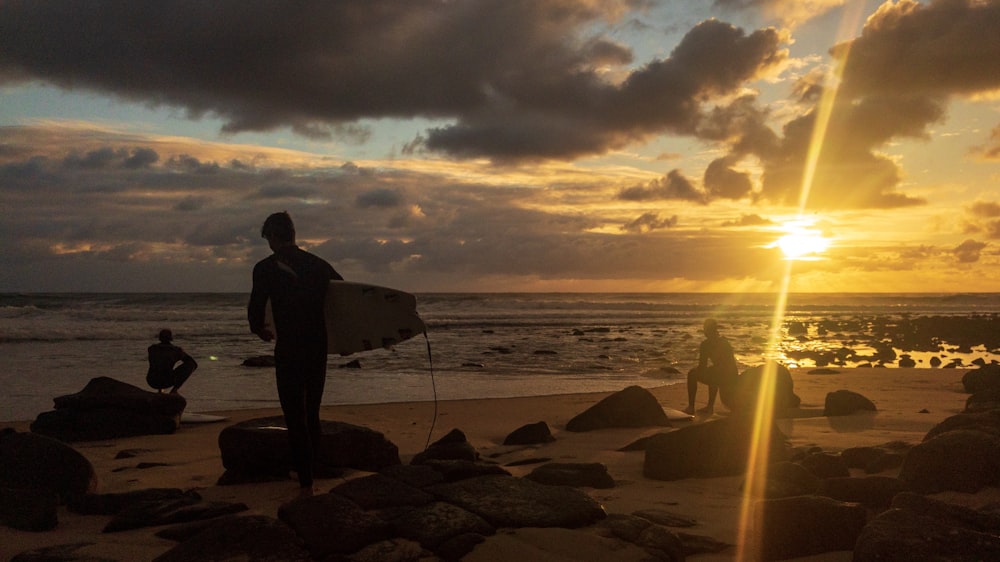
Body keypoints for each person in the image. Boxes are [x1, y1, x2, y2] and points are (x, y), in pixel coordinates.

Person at [247, 211, 342, 496]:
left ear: (273, 236)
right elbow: (344, 296)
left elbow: (256, 307)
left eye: (268, 239)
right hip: (317, 345)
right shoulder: (319, 265)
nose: (269, 245)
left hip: (289, 346)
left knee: (294, 414)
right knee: (311, 412)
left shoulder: (266, 267)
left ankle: (305, 482)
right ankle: (311, 473)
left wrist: (259, 330)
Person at [684, 318, 739, 415]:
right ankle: (709, 407)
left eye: (705, 328)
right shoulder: (724, 342)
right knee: (713, 371)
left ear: (707, 330)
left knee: (692, 374)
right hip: (732, 375)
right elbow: (730, 362)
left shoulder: (705, 344)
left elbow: (702, 366)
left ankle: (691, 407)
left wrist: (697, 370)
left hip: (725, 376)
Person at [146, 328, 198, 394]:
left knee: (160, 368)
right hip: (166, 381)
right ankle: (174, 390)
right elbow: (192, 362)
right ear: (170, 338)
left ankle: (160, 390)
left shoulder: (152, 349)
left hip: (151, 380)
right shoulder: (175, 350)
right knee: (191, 364)